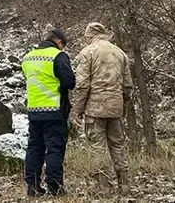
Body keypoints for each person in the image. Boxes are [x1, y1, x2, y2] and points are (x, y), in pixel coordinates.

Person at [72, 22, 133, 196]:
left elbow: (82, 85)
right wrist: (123, 105)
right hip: (115, 107)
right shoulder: (120, 53)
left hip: (95, 109)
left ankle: (104, 187)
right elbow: (128, 85)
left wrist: (78, 109)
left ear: (89, 36)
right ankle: (124, 184)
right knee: (118, 145)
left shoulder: (87, 53)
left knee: (98, 147)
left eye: (86, 37)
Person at [22, 28, 75, 197]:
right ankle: (55, 186)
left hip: (34, 110)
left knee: (34, 148)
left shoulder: (28, 58)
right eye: (63, 46)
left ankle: (33, 186)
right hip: (54, 110)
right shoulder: (58, 56)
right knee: (54, 148)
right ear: (59, 42)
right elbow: (69, 82)